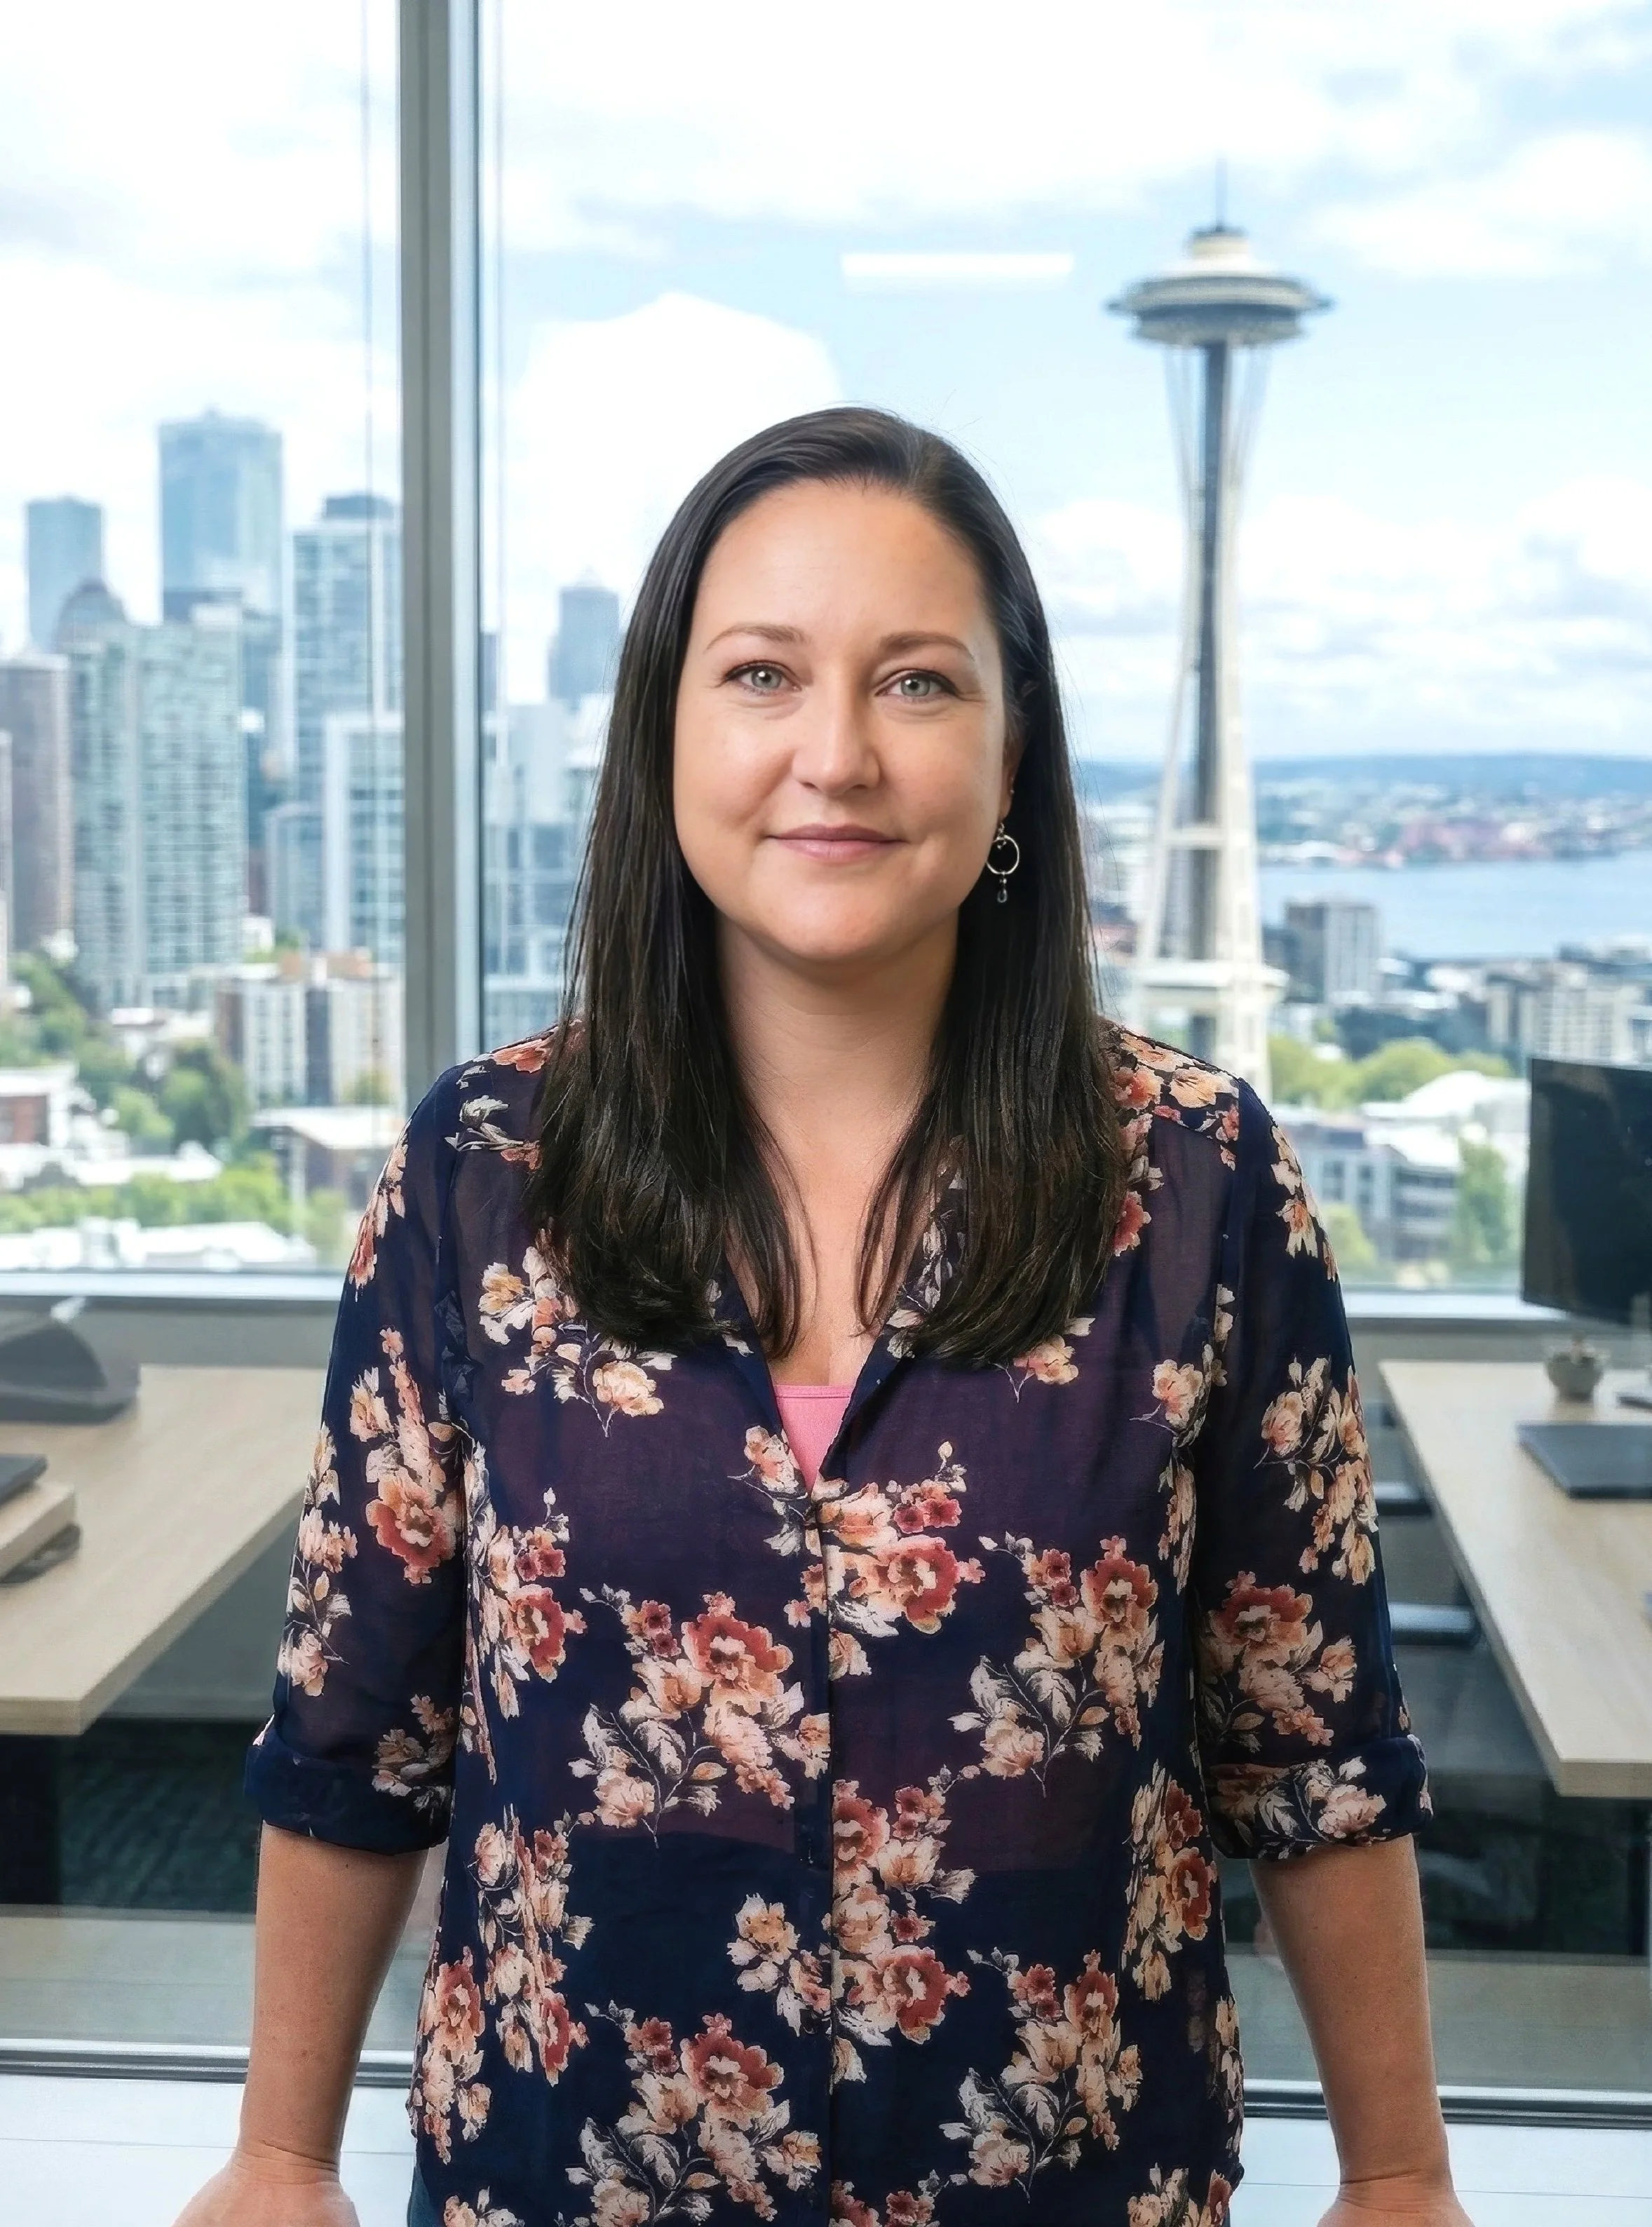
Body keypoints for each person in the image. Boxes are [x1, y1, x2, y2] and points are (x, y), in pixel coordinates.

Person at [176, 407, 1468, 2227]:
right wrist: (279, 2155)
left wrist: (1398, 2172)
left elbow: (1311, 1738)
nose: (836, 755)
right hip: (563, 2183)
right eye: (762, 675)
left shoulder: (1196, 1184)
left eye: (920, 684)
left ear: (1012, 757)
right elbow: (354, 1727)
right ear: (666, 735)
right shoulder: (481, 1171)